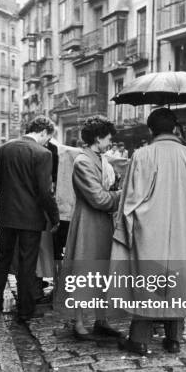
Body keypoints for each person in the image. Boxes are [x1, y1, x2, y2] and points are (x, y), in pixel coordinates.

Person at [111, 108, 186, 356]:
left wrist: (125, 227)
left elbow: (131, 199)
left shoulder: (143, 155)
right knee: (179, 277)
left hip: (149, 229)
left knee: (147, 278)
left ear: (151, 130)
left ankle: (139, 339)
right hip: (185, 228)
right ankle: (174, 338)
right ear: (176, 128)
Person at [0, 116, 60, 322]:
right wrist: (54, 217)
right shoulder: (43, 153)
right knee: (27, 263)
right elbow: (45, 192)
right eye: (48, 138)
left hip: (8, 216)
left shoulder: (5, 149)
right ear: (43, 132)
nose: (47, 142)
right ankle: (25, 309)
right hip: (31, 218)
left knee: (2, 259)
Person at [60, 117, 122, 340]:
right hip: (88, 223)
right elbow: (99, 198)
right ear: (98, 137)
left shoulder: (98, 158)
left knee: (102, 272)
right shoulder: (83, 161)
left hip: (102, 223)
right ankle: (78, 322)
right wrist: (123, 195)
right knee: (84, 271)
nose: (110, 143)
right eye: (108, 138)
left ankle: (100, 320)